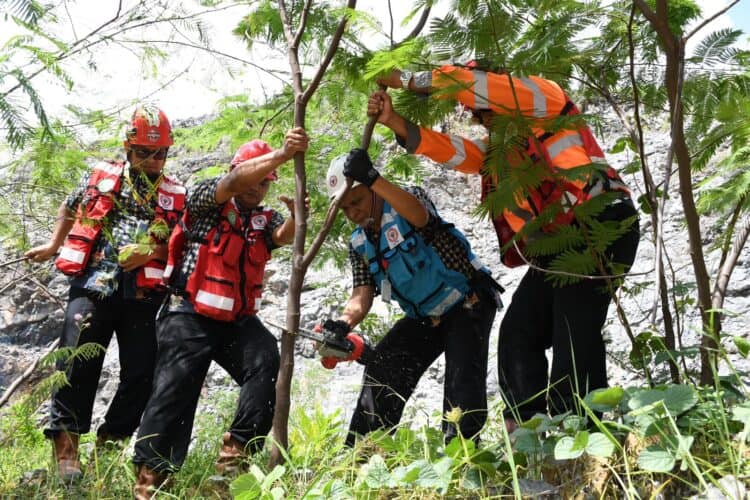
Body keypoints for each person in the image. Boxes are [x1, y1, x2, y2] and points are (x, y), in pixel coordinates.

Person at [368, 65, 640, 428]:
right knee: (517, 333)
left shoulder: (541, 96)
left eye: (483, 107)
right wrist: (395, 121)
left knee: (573, 327)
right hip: (560, 247)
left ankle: (581, 431)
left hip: (599, 222)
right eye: (478, 114)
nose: (480, 118)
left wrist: (405, 78)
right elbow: (454, 151)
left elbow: (467, 83)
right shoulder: (502, 151)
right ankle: (527, 433)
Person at [131, 128, 308, 498]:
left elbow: (282, 237)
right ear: (237, 170)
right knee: (176, 389)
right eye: (254, 177)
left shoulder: (263, 218)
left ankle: (233, 461)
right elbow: (230, 184)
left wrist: (297, 215)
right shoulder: (205, 197)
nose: (257, 188)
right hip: (188, 312)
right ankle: (151, 480)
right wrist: (281, 154)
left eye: (265, 184)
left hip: (235, 321)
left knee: (264, 362)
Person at [24, 104, 185, 481]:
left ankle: (109, 443)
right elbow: (69, 205)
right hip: (93, 284)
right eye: (144, 152)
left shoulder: (177, 193)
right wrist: (52, 245)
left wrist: (152, 251)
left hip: (143, 297)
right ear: (128, 149)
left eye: (159, 154)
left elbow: (182, 244)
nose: (151, 161)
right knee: (76, 360)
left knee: (142, 372)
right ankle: (66, 449)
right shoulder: (98, 175)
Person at [324, 148, 501, 447]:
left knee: (462, 381)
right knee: (384, 367)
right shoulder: (359, 244)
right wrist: (342, 324)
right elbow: (361, 295)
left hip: (468, 300)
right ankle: (364, 455)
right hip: (425, 317)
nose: (353, 212)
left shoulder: (407, 199)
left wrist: (373, 177)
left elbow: (420, 218)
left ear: (372, 188)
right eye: (345, 208)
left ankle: (464, 456)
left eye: (357, 200)